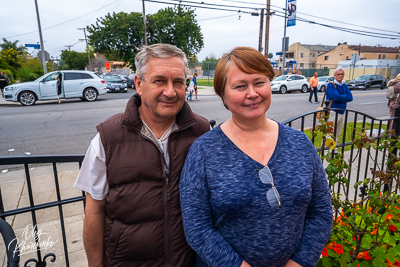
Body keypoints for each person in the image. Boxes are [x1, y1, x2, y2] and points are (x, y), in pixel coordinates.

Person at [180, 47, 333, 267]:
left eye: (259, 82)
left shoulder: (300, 144)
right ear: (223, 94)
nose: (252, 93)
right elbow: (197, 228)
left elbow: (321, 214)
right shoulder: (204, 151)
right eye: (240, 86)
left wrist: (299, 262)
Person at [74, 43, 210, 267]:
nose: (170, 91)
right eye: (159, 81)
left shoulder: (202, 131)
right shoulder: (107, 138)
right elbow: (94, 211)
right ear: (139, 83)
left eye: (178, 82)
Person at [326, 68, 353, 143]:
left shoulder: (344, 85)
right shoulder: (331, 85)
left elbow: (350, 97)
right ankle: (326, 151)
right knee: (330, 133)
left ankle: (334, 149)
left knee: (337, 133)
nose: (340, 76)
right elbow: (336, 97)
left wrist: (340, 97)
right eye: (338, 74)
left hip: (342, 111)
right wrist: (344, 97)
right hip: (333, 111)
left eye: (342, 74)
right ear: (334, 75)